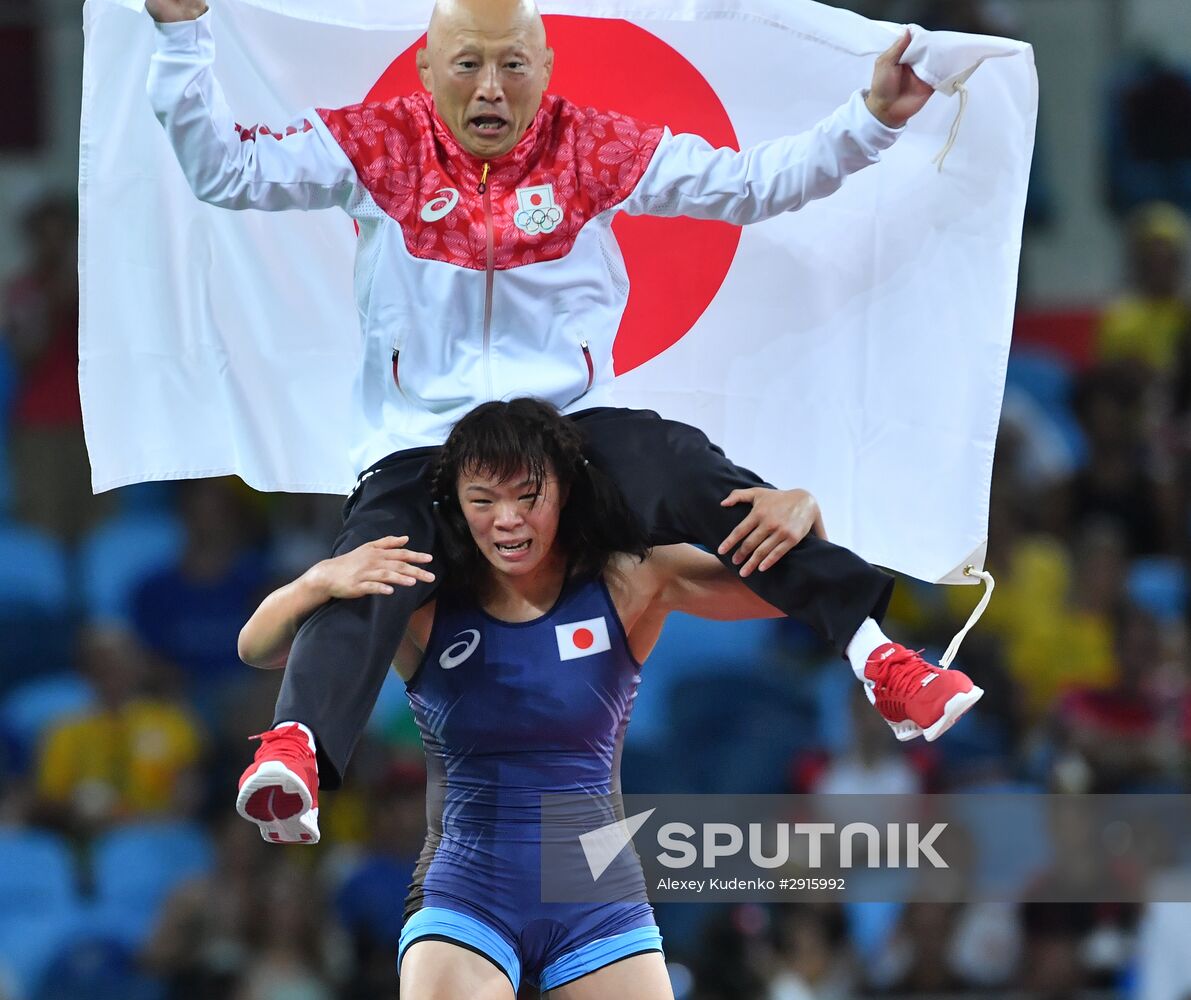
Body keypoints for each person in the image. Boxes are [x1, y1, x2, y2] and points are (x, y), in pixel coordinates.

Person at [143, 0, 971, 843]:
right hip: (422, 445)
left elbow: (754, 183)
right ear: (427, 71)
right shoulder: (374, 144)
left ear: (544, 70)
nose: (490, 88)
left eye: (512, 65)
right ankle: (299, 753)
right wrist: (180, 36)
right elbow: (222, 169)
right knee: (371, 563)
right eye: (466, 65)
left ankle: (879, 657)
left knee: (688, 470)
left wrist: (869, 118)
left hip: (569, 430)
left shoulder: (595, 147)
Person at [236, 398, 979, 998]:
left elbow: (774, 585)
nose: (508, 521)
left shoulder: (630, 579)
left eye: (529, 498)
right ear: (454, 506)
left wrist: (801, 512)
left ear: (565, 492)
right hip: (466, 891)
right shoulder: (422, 599)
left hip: (596, 898)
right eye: (483, 501)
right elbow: (261, 650)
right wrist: (315, 581)